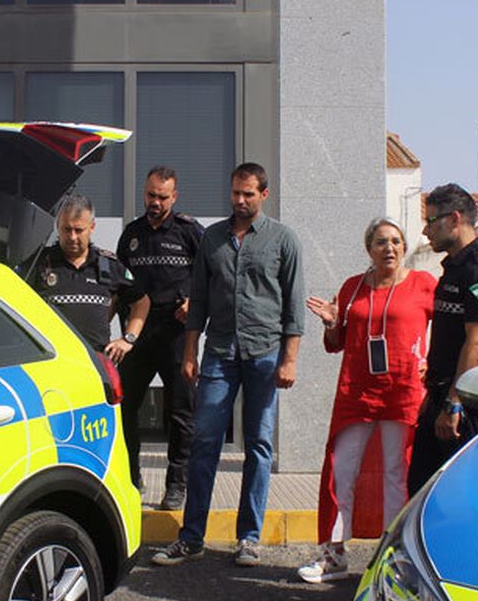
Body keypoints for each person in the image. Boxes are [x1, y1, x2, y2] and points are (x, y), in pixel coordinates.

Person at [152, 163, 304, 568]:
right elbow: (198, 299)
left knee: (258, 445)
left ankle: (249, 538)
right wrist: (189, 352)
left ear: (264, 195)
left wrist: (290, 359)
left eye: (248, 194)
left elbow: (294, 305)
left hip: (265, 353)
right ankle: (192, 536)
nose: (239, 201)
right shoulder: (213, 239)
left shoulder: (283, 240)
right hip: (219, 352)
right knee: (205, 441)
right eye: (235, 193)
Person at [298, 219, 435, 583]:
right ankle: (333, 553)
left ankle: (392, 557)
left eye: (395, 241)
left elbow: (450, 331)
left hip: (403, 391)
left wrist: (433, 366)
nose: (388, 248)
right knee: (342, 469)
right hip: (356, 391)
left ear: (404, 246)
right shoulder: (353, 286)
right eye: (380, 242)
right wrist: (330, 322)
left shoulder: (424, 284)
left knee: (396, 472)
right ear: (368, 249)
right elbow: (336, 342)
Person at [406, 183, 478, 496]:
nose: (426, 231)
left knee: (455, 498)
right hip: (441, 400)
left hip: (465, 410)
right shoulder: (454, 269)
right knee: (422, 494)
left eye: (431, 221)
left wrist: (454, 403)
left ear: (454, 220)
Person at [116, 166, 205, 510]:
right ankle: (131, 478)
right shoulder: (132, 234)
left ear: (175, 196)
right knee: (124, 409)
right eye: (151, 195)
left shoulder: (189, 231)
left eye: (162, 197)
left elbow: (209, 276)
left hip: (176, 336)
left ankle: (176, 485)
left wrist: (193, 301)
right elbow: (118, 283)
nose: (155, 202)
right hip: (137, 336)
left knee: (181, 413)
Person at [29, 194, 149, 360]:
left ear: (92, 227)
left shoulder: (108, 264)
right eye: (66, 229)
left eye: (79, 230)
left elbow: (142, 302)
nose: (72, 237)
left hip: (97, 364)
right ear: (57, 225)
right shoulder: (38, 263)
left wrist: (128, 339)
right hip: (53, 363)